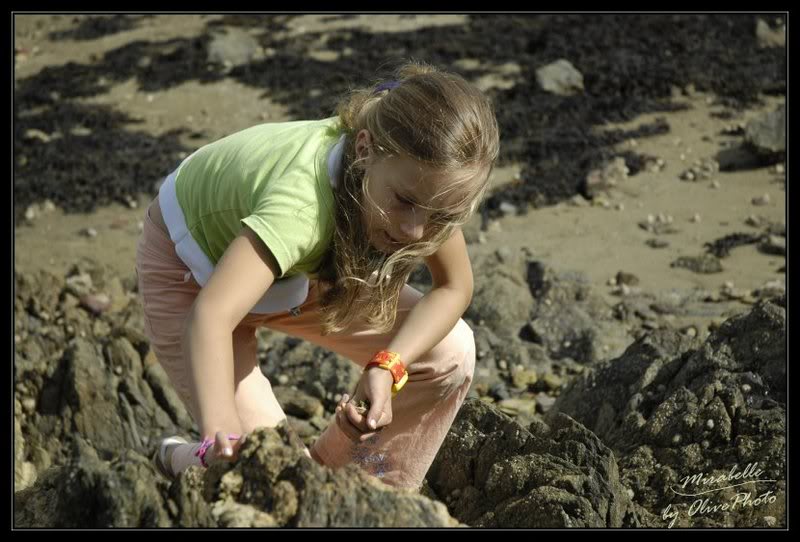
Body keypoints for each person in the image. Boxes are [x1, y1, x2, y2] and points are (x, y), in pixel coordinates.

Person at [135, 59, 500, 491]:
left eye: (440, 214)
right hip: (193, 276)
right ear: (363, 150)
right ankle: (178, 457)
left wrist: (387, 366)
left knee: (450, 352)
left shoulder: (421, 183)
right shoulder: (301, 208)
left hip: (298, 269)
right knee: (257, 476)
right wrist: (224, 437)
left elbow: (456, 287)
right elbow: (211, 316)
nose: (414, 231)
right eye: (405, 202)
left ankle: (364, 490)